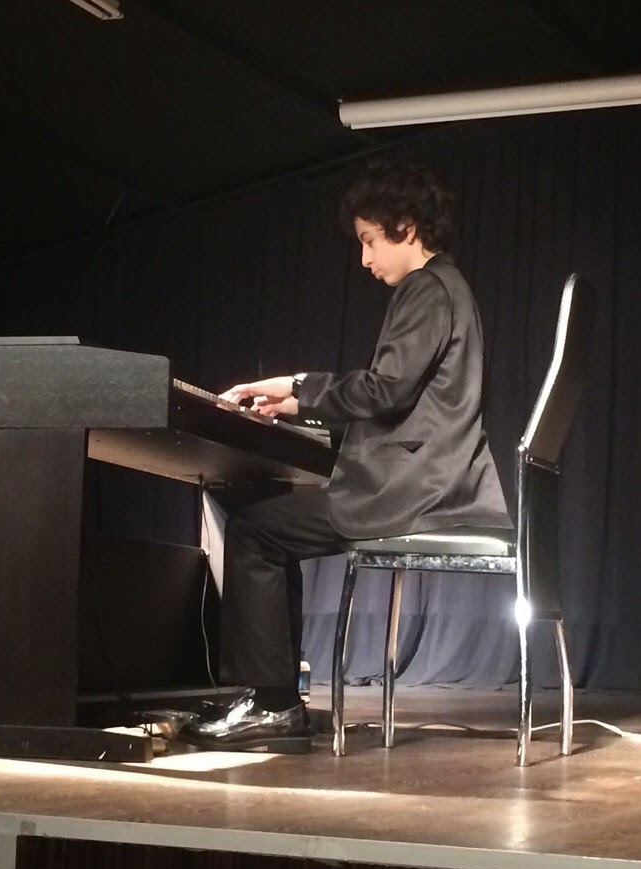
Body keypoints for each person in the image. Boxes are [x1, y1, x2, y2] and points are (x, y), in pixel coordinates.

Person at [178, 159, 510, 752]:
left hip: (414, 490)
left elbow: (385, 391)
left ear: (407, 227)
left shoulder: (427, 289)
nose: (364, 259)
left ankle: (273, 704)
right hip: (432, 480)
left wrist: (298, 386)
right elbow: (403, 400)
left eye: (370, 240)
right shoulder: (449, 288)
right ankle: (275, 698)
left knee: (255, 533)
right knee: (268, 526)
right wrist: (295, 403)